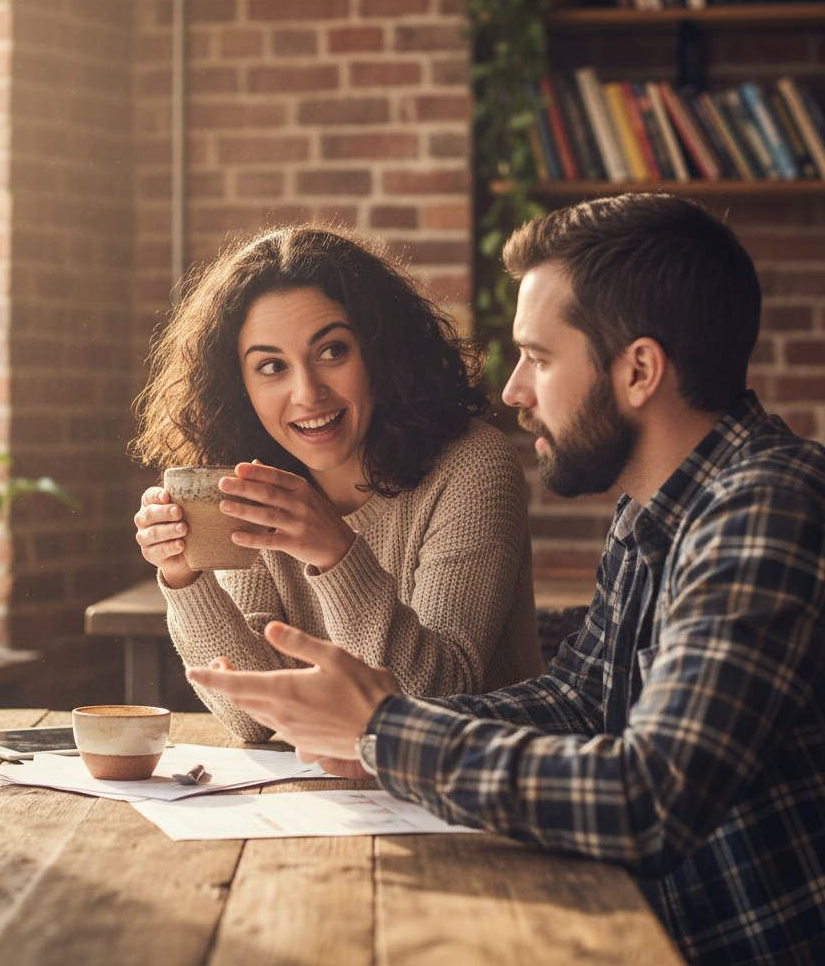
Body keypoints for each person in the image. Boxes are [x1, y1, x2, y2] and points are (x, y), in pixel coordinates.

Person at [188, 194, 825, 966]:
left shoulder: (766, 504)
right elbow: (580, 700)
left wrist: (386, 731)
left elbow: (648, 799)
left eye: (541, 357)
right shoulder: (654, 510)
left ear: (640, 371)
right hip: (629, 924)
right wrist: (374, 734)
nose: (517, 390)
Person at [133, 226, 545, 741]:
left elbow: (436, 699)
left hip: (464, 794)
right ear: (239, 387)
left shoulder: (473, 468)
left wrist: (335, 552)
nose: (307, 392)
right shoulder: (247, 480)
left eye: (332, 352)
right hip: (327, 794)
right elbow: (254, 718)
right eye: (271, 367)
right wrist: (184, 578)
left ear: (380, 351)